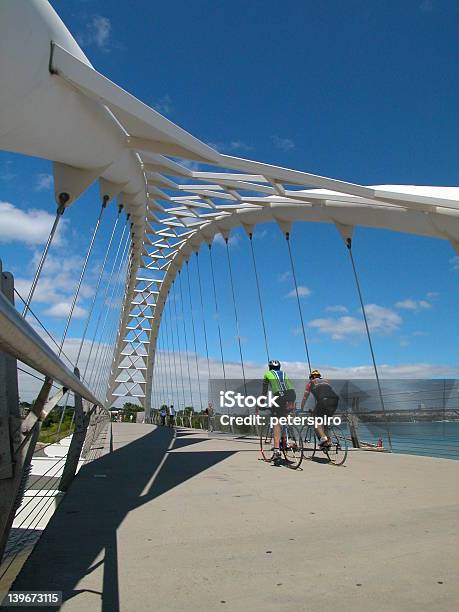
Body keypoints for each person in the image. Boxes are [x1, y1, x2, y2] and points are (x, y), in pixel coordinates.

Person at [262, 360, 296, 465]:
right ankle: (290, 439)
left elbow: (264, 391)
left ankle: (277, 450)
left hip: (279, 395)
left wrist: (261, 403)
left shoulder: (267, 374)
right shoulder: (284, 373)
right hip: (291, 394)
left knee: (276, 422)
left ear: (269, 367)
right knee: (285, 415)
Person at [301, 370, 339, 449]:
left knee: (316, 421)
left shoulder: (310, 383)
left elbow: (305, 397)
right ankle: (328, 441)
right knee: (325, 422)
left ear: (311, 377)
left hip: (323, 400)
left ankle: (323, 438)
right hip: (335, 400)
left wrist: (301, 408)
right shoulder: (326, 381)